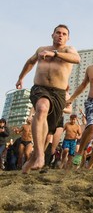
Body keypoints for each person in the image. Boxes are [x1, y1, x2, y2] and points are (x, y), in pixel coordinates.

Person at [15, 24, 81, 173]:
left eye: (64, 34)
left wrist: (55, 54)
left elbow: (76, 59)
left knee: (46, 132)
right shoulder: (42, 49)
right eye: (58, 33)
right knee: (42, 107)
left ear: (68, 38)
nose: (60, 35)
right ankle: (39, 156)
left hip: (58, 93)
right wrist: (21, 78)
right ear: (52, 35)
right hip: (40, 88)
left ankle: (31, 161)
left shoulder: (68, 50)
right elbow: (30, 62)